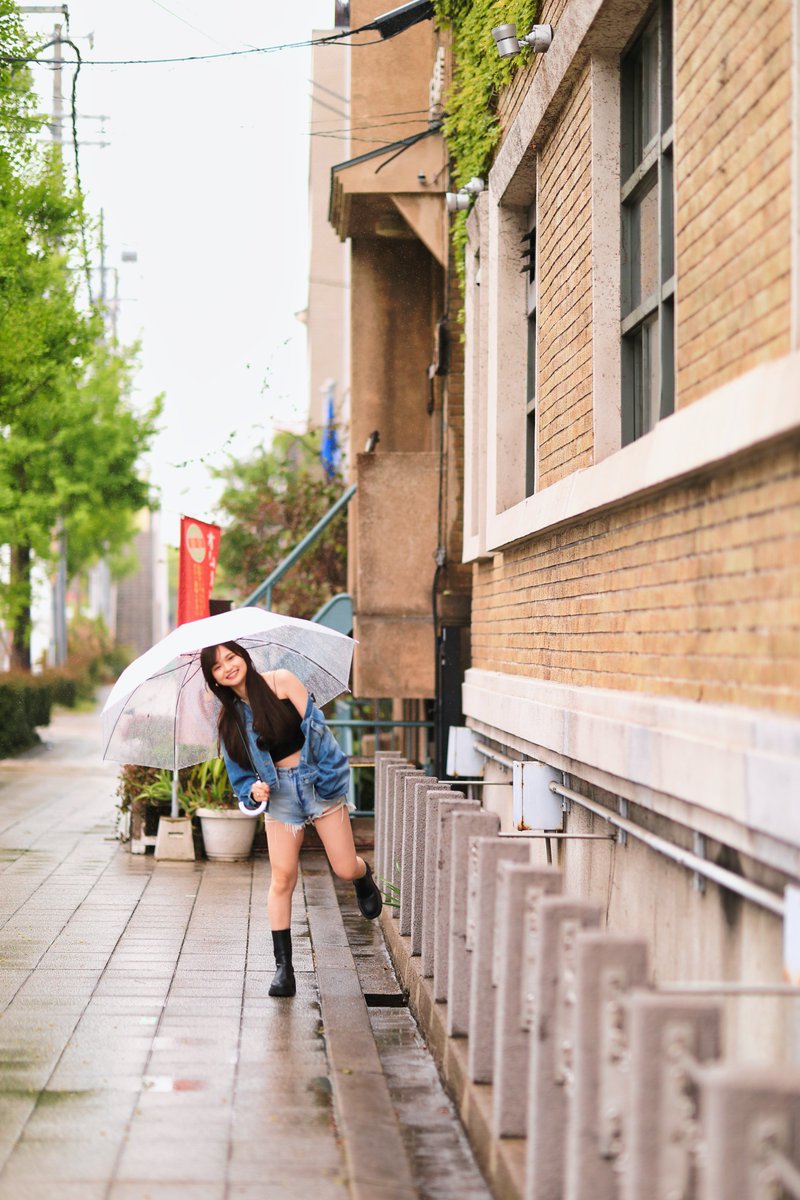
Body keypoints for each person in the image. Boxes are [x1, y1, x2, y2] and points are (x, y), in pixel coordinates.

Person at [199, 640, 382, 998]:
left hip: (316, 781)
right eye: (218, 667)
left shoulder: (281, 681)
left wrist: (327, 776)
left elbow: (317, 727)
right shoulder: (230, 721)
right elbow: (240, 778)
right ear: (215, 679)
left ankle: (363, 876)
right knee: (282, 876)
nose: (228, 667)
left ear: (244, 658)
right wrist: (255, 790)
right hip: (279, 793)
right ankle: (284, 969)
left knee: (344, 868)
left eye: (231, 657)